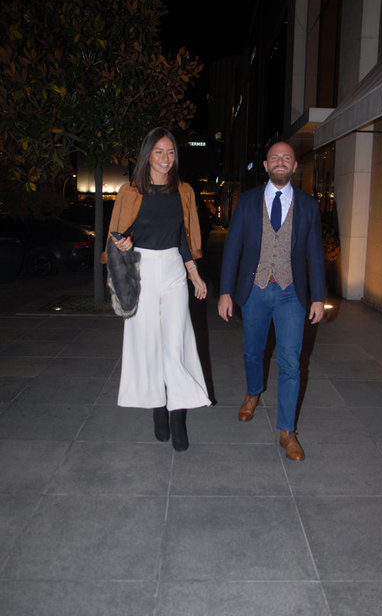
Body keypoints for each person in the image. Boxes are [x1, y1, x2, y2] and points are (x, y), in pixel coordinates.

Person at [218, 137, 325, 461]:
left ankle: (287, 431)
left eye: (286, 157)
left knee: (291, 362)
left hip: (292, 292)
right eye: (275, 157)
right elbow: (233, 248)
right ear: (266, 165)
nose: (280, 161)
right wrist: (225, 291)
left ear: (295, 165)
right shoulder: (247, 201)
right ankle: (253, 392)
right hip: (255, 290)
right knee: (253, 352)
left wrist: (318, 297)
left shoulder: (308, 205)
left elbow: (315, 253)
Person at [105, 127, 211, 451]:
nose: (166, 158)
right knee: (148, 343)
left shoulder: (184, 191)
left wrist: (194, 273)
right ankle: (158, 408)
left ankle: (178, 417)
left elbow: (183, 237)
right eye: (159, 151)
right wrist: (123, 243)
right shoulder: (130, 192)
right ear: (148, 154)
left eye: (171, 152)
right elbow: (118, 235)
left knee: (175, 345)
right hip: (143, 270)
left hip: (174, 269)